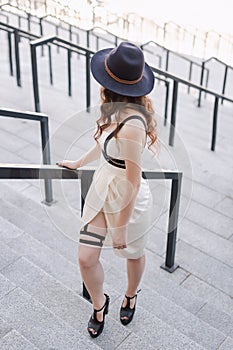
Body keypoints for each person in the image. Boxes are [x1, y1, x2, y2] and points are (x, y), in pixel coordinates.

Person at [57, 41, 158, 338]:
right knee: (86, 257)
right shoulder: (115, 108)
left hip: (128, 197)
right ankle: (100, 305)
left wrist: (122, 227)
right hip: (104, 185)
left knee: (133, 253)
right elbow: (103, 142)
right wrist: (78, 162)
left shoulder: (133, 125)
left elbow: (133, 180)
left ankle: (130, 294)